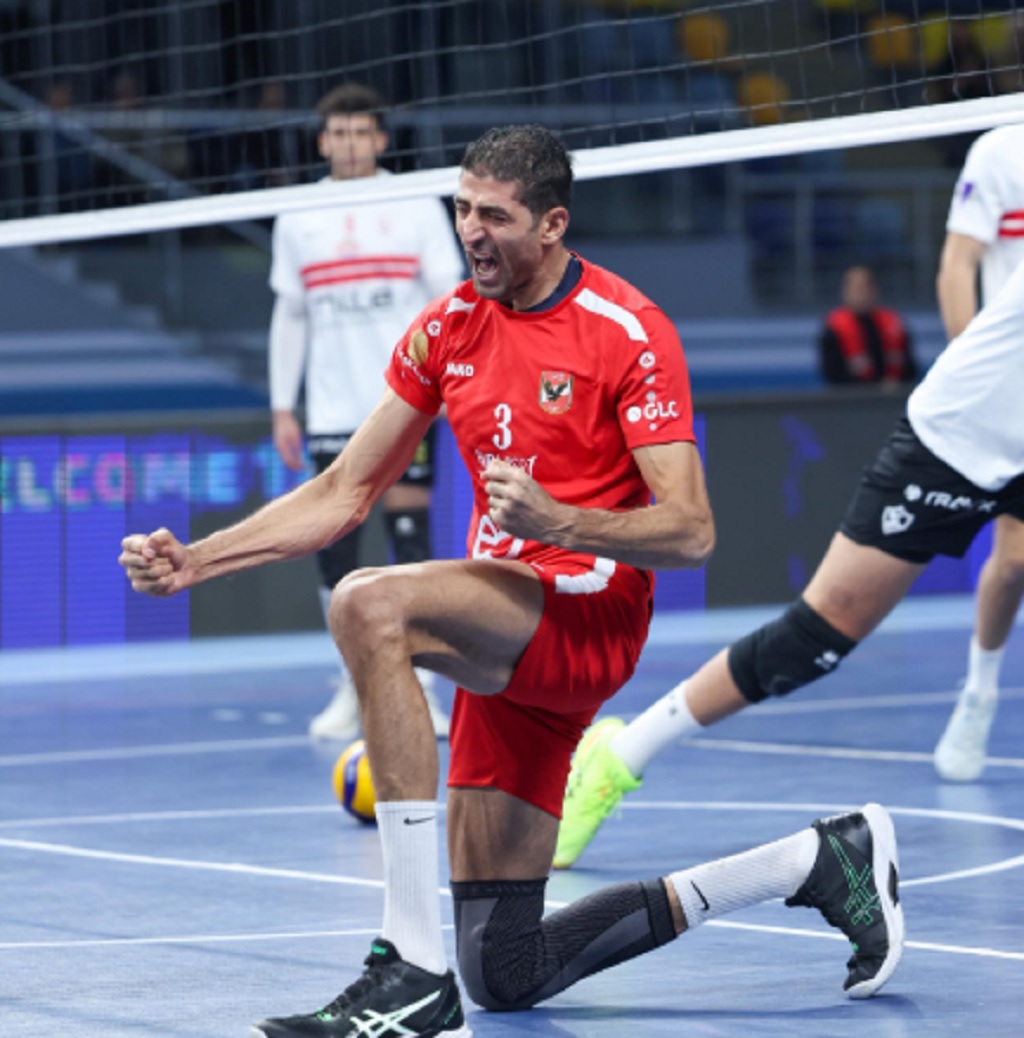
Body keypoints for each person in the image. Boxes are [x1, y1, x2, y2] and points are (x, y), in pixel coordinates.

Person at [119, 124, 903, 1036]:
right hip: (504, 627)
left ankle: (407, 967)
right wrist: (200, 560)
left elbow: (692, 532)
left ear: (552, 224)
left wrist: (558, 521)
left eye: (494, 215)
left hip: (588, 612)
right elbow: (342, 491)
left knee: (370, 604)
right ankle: (814, 862)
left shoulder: (627, 330)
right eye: (462, 209)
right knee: (504, 968)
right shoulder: (449, 327)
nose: (471, 231)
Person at [554, 252, 1024, 870]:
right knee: (819, 636)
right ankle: (620, 755)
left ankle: (978, 697)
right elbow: (958, 264)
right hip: (960, 438)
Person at [269, 82, 463, 741]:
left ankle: (422, 688)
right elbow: (291, 314)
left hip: (405, 405)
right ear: (323, 142)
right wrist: (282, 406)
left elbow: (448, 301)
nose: (350, 144)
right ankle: (354, 688)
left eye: (362, 132)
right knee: (335, 552)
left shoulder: (414, 204)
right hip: (331, 409)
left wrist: (449, 386)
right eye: (339, 134)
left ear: (380, 139)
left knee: (410, 546)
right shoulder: (298, 215)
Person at [932, 122, 1024, 782]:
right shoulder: (1000, 151)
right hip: (1014, 385)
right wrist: (973, 372)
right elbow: (957, 266)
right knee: (1013, 562)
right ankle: (980, 694)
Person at [817, 265, 916, 387]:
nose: (862, 294)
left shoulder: (893, 324)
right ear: (845, 292)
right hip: (852, 394)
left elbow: (910, 368)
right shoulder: (833, 328)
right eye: (856, 288)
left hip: (891, 392)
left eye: (866, 287)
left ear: (875, 291)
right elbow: (832, 373)